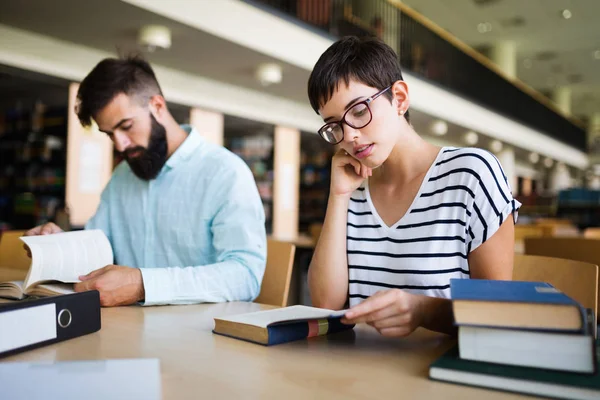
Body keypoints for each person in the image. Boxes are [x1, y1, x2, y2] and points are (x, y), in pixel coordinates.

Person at [307, 36, 520, 336]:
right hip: (356, 373)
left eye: (358, 111)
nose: (349, 136)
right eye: (335, 125)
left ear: (400, 98)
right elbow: (325, 304)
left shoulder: (472, 175)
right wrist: (338, 197)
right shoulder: (353, 188)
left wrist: (424, 311)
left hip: (438, 373)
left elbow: (498, 313)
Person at [25, 56, 267, 307]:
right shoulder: (121, 178)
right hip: (124, 331)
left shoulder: (226, 173)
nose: (120, 144)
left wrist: (143, 285)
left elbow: (245, 276)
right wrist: (60, 247)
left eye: (126, 126)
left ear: (157, 106)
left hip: (201, 337)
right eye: (110, 134)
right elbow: (98, 254)